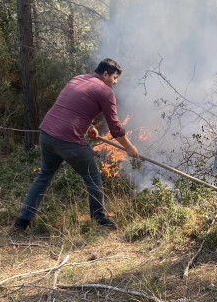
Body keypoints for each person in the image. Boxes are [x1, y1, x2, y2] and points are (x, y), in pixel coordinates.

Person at [14, 58, 138, 230]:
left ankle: (22, 221)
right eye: (114, 78)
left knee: (44, 177)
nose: (115, 82)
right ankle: (99, 218)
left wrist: (89, 126)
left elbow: (72, 107)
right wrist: (129, 148)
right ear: (105, 74)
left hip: (47, 134)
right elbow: (115, 128)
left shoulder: (77, 78)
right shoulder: (106, 91)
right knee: (92, 177)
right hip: (68, 140)